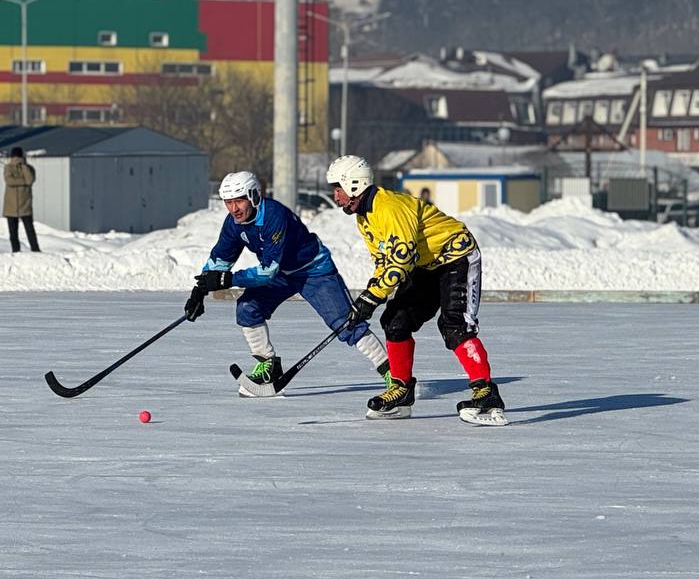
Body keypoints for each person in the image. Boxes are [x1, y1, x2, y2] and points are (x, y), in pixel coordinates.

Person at [325, 154, 507, 425]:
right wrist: (368, 296)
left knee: (455, 325)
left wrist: (370, 299)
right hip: (426, 264)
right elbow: (384, 262)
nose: (335, 196)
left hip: (456, 258)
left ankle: (485, 392)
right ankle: (401, 389)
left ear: (353, 185)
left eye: (337, 188)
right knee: (395, 321)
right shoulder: (364, 217)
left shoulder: (390, 208)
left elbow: (400, 261)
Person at [185, 170, 390, 396]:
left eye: (239, 200)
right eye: (228, 202)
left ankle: (393, 374)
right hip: (282, 274)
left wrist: (228, 279)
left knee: (346, 323)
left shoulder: (274, 215)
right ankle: (268, 367)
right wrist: (199, 290)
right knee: (248, 307)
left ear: (253, 196)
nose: (234, 208)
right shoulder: (234, 223)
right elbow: (221, 258)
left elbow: (268, 271)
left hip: (313, 271)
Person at [3, 146, 41, 253]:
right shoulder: (8, 168)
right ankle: (16, 251)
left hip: (25, 204)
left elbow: (30, 180)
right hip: (11, 206)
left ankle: (35, 249)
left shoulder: (29, 168)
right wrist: (23, 181)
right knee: (14, 233)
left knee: (29, 230)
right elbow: (9, 181)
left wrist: (23, 166)